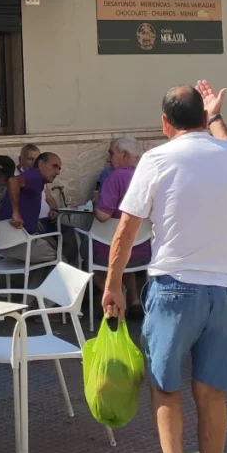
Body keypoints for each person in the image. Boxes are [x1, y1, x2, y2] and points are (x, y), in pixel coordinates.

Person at [103, 81, 227, 453]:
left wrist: (111, 285)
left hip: (174, 286)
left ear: (164, 123)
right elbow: (223, 138)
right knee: (212, 392)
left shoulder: (156, 159)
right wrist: (216, 113)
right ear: (204, 122)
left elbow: (126, 231)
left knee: (165, 386)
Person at [91, 135, 150, 320]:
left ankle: (116, 300)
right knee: (124, 250)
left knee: (86, 253)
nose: (109, 158)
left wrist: (95, 203)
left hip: (111, 249)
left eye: (111, 153)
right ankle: (134, 301)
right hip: (144, 250)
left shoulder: (115, 177)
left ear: (124, 154)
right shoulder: (148, 175)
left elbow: (103, 216)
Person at [0, 152, 61, 262]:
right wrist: (15, 213)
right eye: (54, 167)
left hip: (4, 242)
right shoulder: (35, 176)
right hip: (18, 242)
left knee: (50, 250)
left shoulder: (35, 180)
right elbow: (12, 181)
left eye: (59, 169)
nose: (58, 172)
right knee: (60, 260)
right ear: (40, 164)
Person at [16, 144, 55, 224]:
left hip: (49, 220)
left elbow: (49, 198)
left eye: (36, 160)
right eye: (30, 159)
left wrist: (53, 210)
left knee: (73, 232)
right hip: (32, 225)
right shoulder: (15, 179)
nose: (34, 163)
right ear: (20, 160)